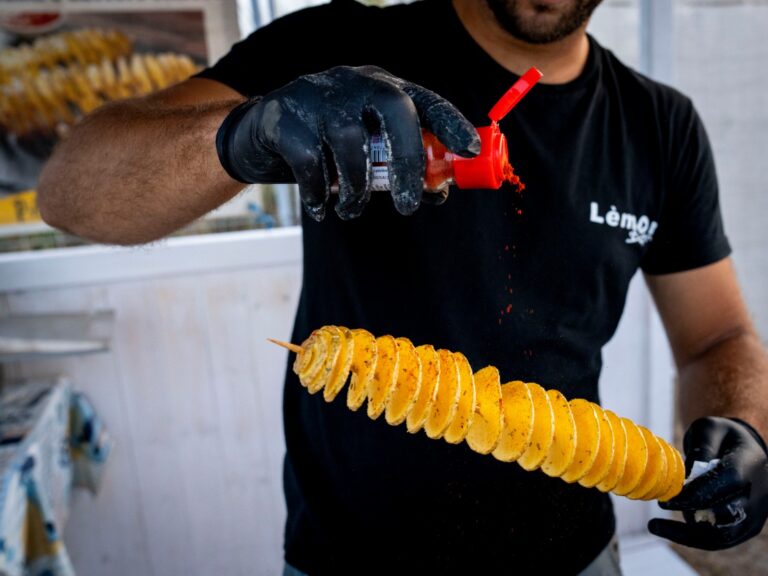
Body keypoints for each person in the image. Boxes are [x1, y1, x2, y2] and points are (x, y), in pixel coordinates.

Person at [37, 0, 768, 573]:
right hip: (352, 556)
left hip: (573, 553)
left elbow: (716, 337)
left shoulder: (658, 125)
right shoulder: (335, 44)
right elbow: (72, 195)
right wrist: (241, 134)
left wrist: (743, 425)